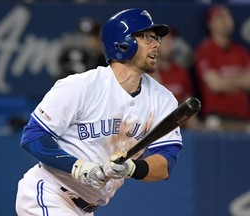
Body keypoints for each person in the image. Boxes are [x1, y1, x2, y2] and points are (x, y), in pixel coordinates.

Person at [16, 8, 183, 216]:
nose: (156, 44)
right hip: (49, 193)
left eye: (156, 37)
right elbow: (33, 136)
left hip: (86, 209)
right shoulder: (81, 86)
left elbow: (165, 163)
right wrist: (79, 167)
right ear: (123, 42)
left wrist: (132, 168)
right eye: (146, 37)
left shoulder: (163, 100)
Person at [194, 4, 250, 130]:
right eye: (220, 16)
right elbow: (215, 85)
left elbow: (249, 82)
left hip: (243, 118)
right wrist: (239, 81)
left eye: (228, 16)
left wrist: (226, 80)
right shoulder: (205, 51)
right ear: (210, 24)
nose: (226, 20)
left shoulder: (241, 52)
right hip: (217, 119)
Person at [148, 30, 199, 129]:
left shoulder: (181, 71)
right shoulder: (148, 73)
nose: (168, 44)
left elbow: (188, 100)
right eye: (163, 41)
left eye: (170, 41)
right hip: (155, 126)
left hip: (181, 124)